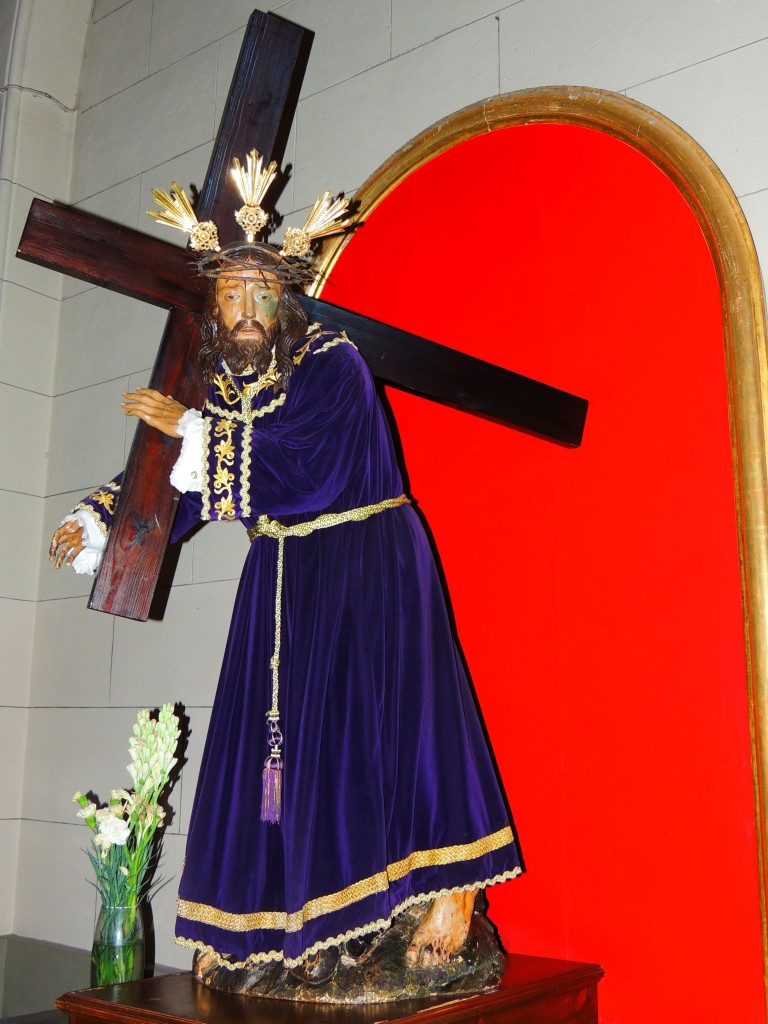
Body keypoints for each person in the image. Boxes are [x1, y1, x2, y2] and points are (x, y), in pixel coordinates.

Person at [49, 166, 522, 992]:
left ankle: (452, 892)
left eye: (257, 294)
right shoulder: (226, 386)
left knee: (403, 727)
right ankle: (290, 921)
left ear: (284, 299)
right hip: (283, 579)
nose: (242, 312)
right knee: (282, 751)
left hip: (367, 560)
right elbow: (190, 483)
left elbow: (307, 470)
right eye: (228, 296)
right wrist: (101, 519)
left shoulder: (333, 365)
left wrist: (194, 430)